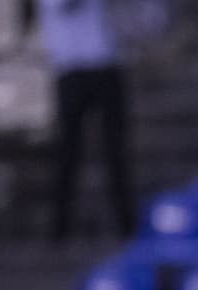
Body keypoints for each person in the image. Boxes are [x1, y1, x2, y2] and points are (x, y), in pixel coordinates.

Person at [36, 0, 136, 241]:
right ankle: (60, 226)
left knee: (115, 148)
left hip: (106, 61)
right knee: (67, 151)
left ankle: (126, 223)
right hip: (70, 67)